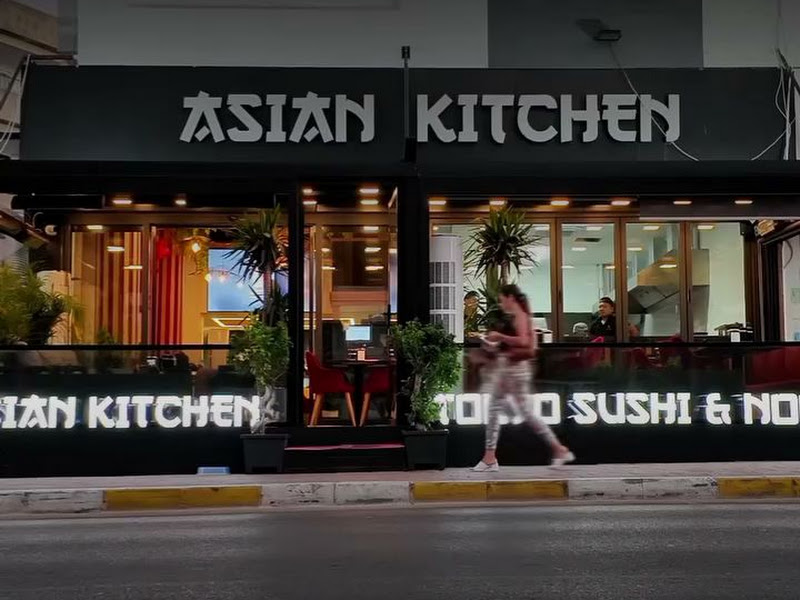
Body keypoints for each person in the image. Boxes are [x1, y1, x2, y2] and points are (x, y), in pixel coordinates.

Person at [472, 284, 574, 472]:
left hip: (514, 371)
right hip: (512, 369)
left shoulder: (520, 315)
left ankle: (491, 458)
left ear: (510, 297)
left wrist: (499, 337)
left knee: (511, 410)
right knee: (508, 409)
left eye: (502, 300)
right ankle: (490, 456)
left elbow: (524, 341)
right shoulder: (520, 314)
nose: (501, 304)